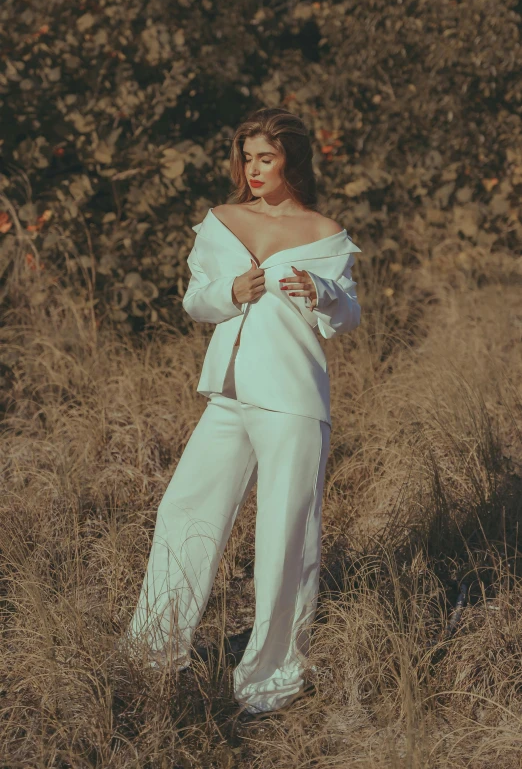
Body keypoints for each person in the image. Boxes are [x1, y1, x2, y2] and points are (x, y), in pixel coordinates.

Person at [124, 107, 362, 716]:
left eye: (266, 158)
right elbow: (195, 299)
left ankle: (270, 679)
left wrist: (324, 291)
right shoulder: (223, 222)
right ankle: (154, 650)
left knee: (286, 535)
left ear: (292, 161)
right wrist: (230, 293)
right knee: (184, 506)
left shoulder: (325, 232)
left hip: (293, 398)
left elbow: (348, 315)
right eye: (247, 157)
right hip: (229, 393)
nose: (253, 170)